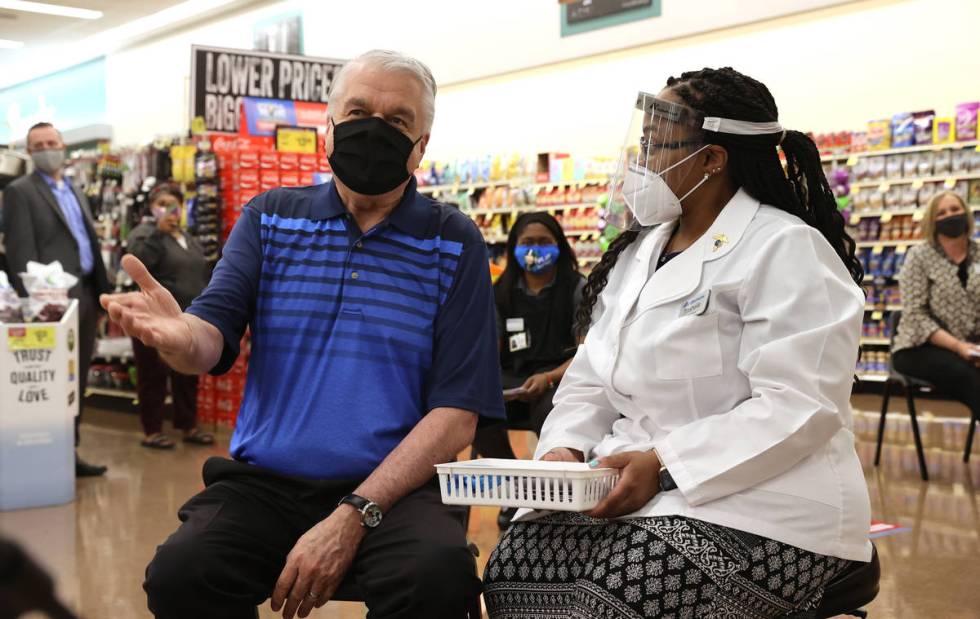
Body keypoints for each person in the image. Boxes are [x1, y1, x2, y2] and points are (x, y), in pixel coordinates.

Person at [101, 50, 503, 619]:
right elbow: (211, 330)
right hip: (267, 483)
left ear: (422, 145)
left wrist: (354, 512)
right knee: (181, 575)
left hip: (398, 489)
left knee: (437, 579)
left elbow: (458, 412)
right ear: (329, 127)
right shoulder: (270, 216)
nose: (374, 130)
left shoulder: (453, 240)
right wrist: (181, 338)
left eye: (397, 121)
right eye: (359, 111)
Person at [483, 67, 873, 619]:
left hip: (770, 508)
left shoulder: (785, 248)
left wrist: (663, 464)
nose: (640, 161)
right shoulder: (640, 254)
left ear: (712, 159)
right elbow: (590, 380)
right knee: (510, 573)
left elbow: (800, 405)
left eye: (656, 145)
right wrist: (564, 450)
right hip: (637, 490)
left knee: (612, 599)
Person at [3, 122, 111, 477]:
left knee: (76, 377)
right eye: (39, 145)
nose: (47, 149)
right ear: (30, 152)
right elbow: (20, 253)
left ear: (63, 146)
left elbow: (88, 245)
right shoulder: (21, 191)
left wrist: (102, 294)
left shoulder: (75, 190)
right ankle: (49, 454)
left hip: (85, 294)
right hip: (50, 303)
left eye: (52, 142)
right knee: (51, 380)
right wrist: (35, 306)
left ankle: (70, 450)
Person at [472, 211, 585, 528]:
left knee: (552, 411)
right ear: (513, 247)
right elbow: (488, 350)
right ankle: (517, 489)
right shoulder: (498, 291)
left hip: (560, 378)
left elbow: (587, 352)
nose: (535, 249)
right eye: (528, 243)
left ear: (559, 246)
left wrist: (549, 377)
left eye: (544, 242)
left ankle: (551, 496)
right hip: (513, 379)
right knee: (474, 411)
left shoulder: (578, 289)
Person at [892, 190, 980, 461]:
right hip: (918, 346)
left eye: (955, 209)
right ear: (932, 221)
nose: (950, 216)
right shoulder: (919, 257)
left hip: (971, 344)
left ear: (966, 213)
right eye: (941, 213)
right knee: (966, 375)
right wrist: (960, 347)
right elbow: (916, 315)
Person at [125, 183, 213, 449]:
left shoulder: (189, 238)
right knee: (152, 374)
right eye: (163, 204)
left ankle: (188, 425)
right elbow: (136, 264)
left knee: (187, 373)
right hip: (152, 318)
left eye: (174, 204)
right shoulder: (144, 233)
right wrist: (157, 235)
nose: (170, 210)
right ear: (153, 208)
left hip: (188, 317)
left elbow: (202, 272)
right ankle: (151, 430)